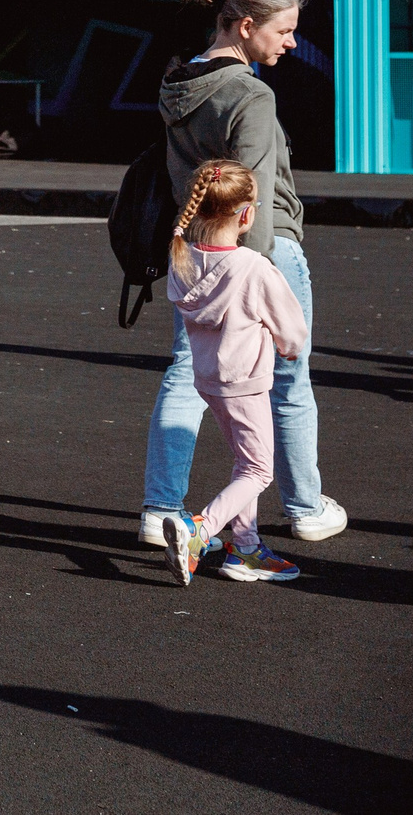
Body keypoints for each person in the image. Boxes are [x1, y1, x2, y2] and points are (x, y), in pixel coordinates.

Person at [140, 0, 346, 548]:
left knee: (185, 372)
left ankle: (160, 510)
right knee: (288, 376)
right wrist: (251, 276)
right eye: (283, 31)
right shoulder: (251, 95)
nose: (292, 43)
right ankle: (305, 506)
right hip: (259, 250)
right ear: (247, 25)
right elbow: (254, 190)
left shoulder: (178, 81)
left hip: (194, 248)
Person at [157, 161, 308, 586]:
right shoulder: (254, 267)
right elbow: (293, 332)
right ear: (246, 215)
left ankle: (245, 548)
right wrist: (289, 350)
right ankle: (199, 531)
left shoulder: (182, 256)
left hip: (209, 380)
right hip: (245, 382)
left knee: (246, 463)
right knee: (260, 469)